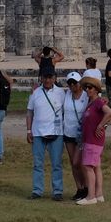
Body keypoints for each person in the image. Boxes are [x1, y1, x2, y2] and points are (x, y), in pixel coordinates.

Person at [26, 70, 65, 200]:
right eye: (45, 77)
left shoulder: (61, 92)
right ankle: (37, 190)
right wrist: (28, 130)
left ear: (54, 78)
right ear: (41, 78)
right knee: (37, 164)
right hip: (38, 133)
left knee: (57, 164)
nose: (48, 80)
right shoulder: (35, 93)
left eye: (50, 77)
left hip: (56, 132)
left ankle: (57, 191)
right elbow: (29, 112)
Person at [77, 77, 111, 205]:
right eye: (86, 87)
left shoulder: (98, 102)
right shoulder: (91, 103)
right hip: (90, 139)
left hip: (93, 140)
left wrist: (100, 125)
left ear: (96, 90)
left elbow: (109, 112)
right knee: (96, 166)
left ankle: (90, 196)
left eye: (90, 88)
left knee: (88, 166)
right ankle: (98, 194)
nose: (87, 90)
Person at [62, 72, 90, 201]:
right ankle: (79, 188)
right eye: (70, 83)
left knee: (80, 162)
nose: (73, 86)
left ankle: (87, 187)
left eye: (75, 83)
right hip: (68, 132)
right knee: (73, 163)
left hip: (81, 133)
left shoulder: (86, 95)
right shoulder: (66, 95)